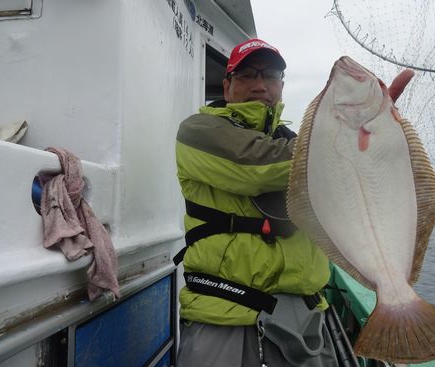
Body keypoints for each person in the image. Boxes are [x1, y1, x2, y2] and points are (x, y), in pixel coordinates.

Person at [174, 38, 413, 367]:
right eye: (247, 75)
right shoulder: (198, 131)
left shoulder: (302, 143)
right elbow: (258, 167)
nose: (260, 84)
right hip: (227, 321)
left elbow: (353, 190)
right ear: (227, 86)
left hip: (305, 322)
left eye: (270, 75)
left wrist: (378, 133)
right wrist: (351, 133)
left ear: (282, 86)